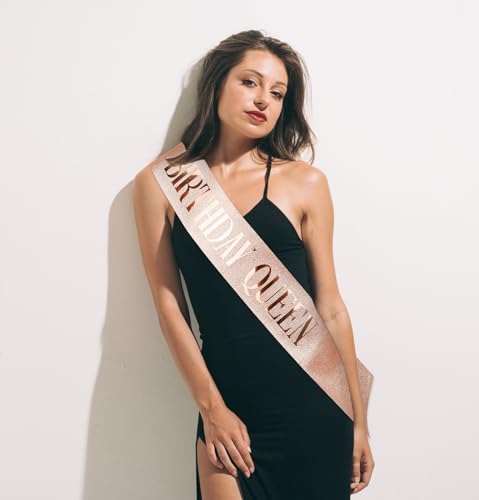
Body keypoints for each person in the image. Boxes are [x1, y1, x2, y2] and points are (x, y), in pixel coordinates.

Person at [133, 29, 374, 500]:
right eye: (250, 82)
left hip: (316, 411)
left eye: (278, 93)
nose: (264, 99)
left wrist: (359, 424)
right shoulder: (163, 184)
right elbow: (169, 307)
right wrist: (212, 410)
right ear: (217, 85)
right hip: (229, 414)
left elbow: (331, 308)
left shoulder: (305, 182)